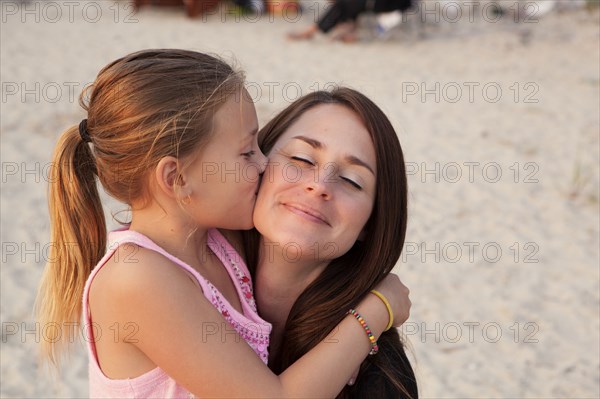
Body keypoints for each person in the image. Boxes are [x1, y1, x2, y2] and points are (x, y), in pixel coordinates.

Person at [35, 49, 411, 398]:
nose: (264, 164)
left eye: (352, 180)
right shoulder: (136, 278)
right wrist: (375, 312)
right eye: (248, 151)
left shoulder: (212, 246)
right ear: (177, 179)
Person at [243, 87, 419, 397]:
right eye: (302, 158)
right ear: (258, 163)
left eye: (352, 180)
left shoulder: (379, 377)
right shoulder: (179, 288)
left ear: (370, 224)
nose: (319, 185)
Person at [288, 0, 413, 42]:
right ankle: (351, 28)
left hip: (394, 3)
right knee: (347, 3)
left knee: (344, 4)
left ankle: (311, 31)